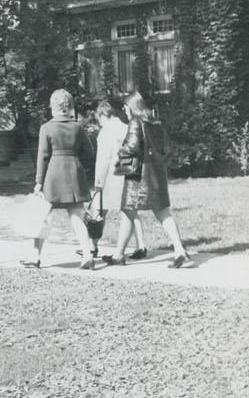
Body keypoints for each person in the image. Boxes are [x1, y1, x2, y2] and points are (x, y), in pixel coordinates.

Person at [109, 93, 195, 268]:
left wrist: (120, 150)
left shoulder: (134, 122)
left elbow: (132, 146)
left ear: (132, 106)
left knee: (128, 212)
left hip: (138, 176)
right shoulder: (156, 124)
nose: (124, 110)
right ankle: (179, 250)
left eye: (125, 107)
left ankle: (118, 255)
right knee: (163, 212)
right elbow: (166, 149)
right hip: (157, 171)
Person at [22, 89, 97, 269]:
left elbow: (43, 156)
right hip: (74, 173)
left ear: (52, 106)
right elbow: (89, 152)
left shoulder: (46, 128)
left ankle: (35, 256)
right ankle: (87, 255)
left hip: (53, 175)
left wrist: (39, 181)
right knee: (76, 217)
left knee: (43, 217)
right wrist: (80, 165)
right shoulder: (77, 127)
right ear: (69, 106)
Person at [91, 98, 146, 263]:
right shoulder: (126, 128)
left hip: (110, 177)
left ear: (102, 116)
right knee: (130, 211)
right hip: (128, 173)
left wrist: (98, 182)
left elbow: (103, 160)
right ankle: (141, 245)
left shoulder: (105, 132)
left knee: (98, 211)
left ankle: (93, 246)